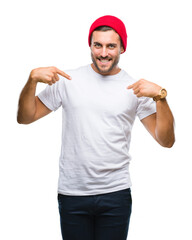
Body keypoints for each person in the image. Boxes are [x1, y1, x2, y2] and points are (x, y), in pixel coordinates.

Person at [17, 15, 175, 240]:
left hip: (116, 193)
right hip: (73, 193)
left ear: (122, 48)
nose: (103, 53)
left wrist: (161, 98)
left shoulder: (135, 88)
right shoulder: (67, 80)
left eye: (111, 46)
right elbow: (25, 117)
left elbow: (166, 140)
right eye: (97, 45)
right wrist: (31, 80)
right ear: (90, 45)